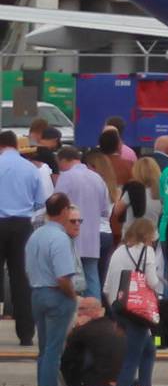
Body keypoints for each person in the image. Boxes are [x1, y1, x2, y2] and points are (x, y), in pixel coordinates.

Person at [1, 134, 53, 348]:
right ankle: (25, 333)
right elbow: (40, 201)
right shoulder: (30, 168)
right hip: (22, 225)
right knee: (21, 279)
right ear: (15, 145)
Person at [105, 217, 162, 386]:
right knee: (133, 356)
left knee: (148, 350)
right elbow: (152, 281)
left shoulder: (119, 251)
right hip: (137, 311)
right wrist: (161, 285)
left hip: (119, 307)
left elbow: (107, 286)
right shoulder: (147, 252)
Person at [54, 148, 110, 300]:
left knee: (68, 276)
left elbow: (56, 205)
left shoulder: (65, 177)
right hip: (92, 236)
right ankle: (95, 315)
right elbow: (105, 210)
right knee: (92, 277)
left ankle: (73, 313)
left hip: (69, 236)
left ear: (64, 160)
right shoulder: (98, 179)